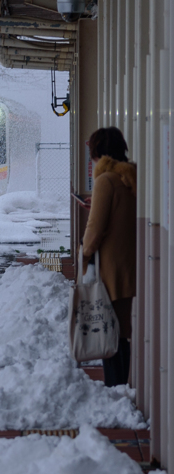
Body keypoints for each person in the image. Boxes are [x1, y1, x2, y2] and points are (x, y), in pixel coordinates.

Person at [82, 126, 136, 387]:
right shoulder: (130, 177)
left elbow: (95, 229)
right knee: (122, 330)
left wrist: (85, 252)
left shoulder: (105, 181)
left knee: (108, 330)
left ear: (98, 152)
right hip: (128, 264)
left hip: (109, 269)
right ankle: (123, 385)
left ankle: (115, 387)